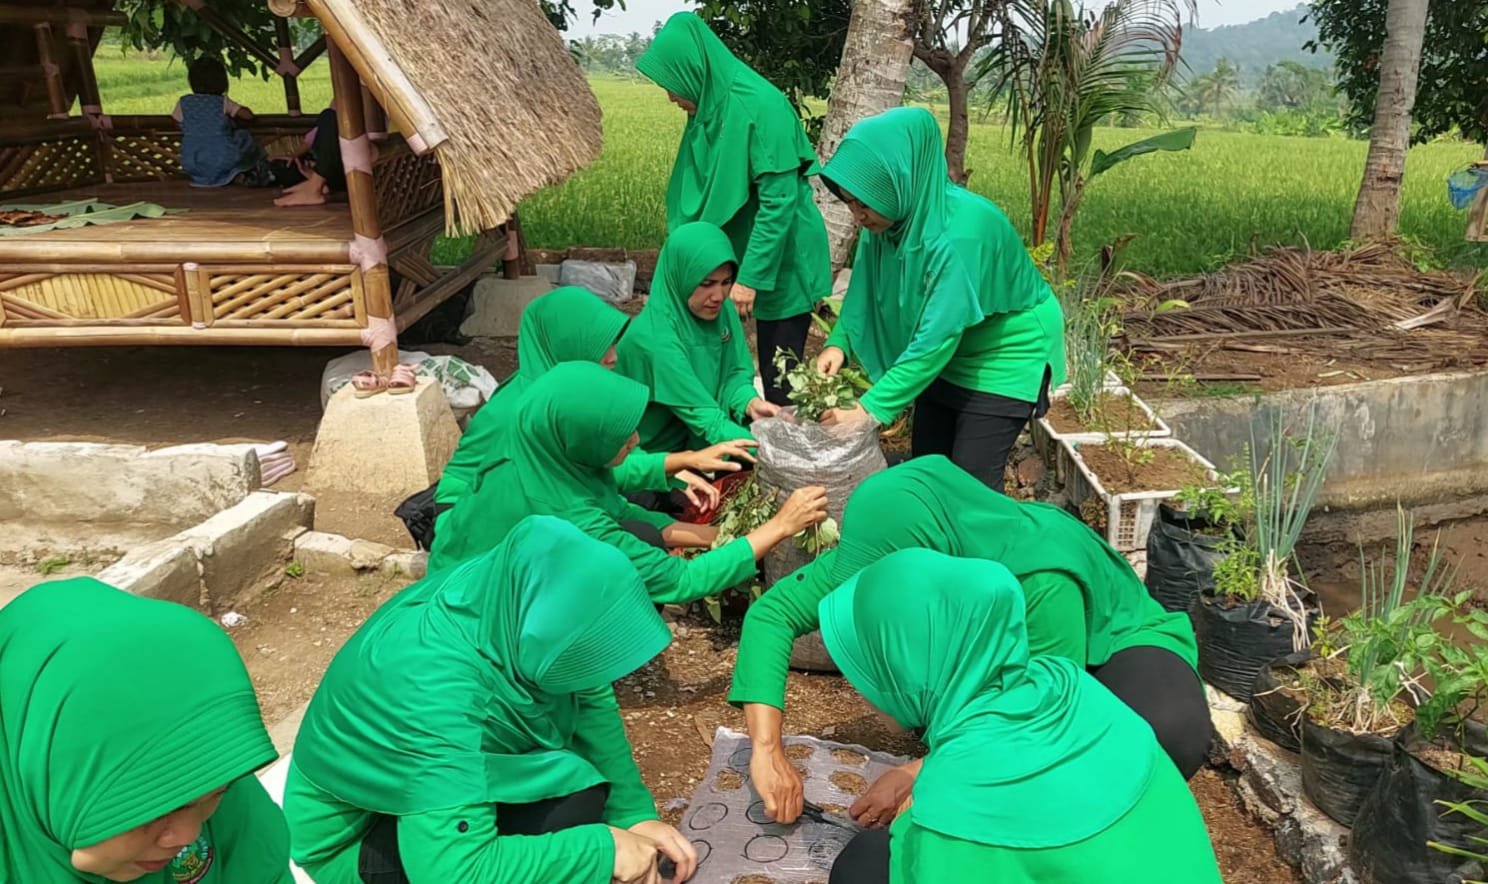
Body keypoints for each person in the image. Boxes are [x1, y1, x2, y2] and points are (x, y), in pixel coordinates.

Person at [733, 457, 1210, 825]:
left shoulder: (1040, 579)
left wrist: (915, 774)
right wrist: (767, 749)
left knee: (1160, 734)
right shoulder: (886, 548)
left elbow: (1039, 713)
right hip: (1038, 678)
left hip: (1109, 652)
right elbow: (772, 615)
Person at [284, 517, 698, 884]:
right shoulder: (435, 692)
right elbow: (452, 873)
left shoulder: (505, 592)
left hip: (412, 793)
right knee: (569, 813)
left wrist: (633, 814)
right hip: (358, 841)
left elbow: (588, 690)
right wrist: (604, 850)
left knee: (581, 790)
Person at [820, 550, 1223, 884]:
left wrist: (925, 813)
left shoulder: (957, 810)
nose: (860, 687)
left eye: (868, 666)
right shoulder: (1066, 685)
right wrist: (918, 774)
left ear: (905, 669)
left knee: (863, 867)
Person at [815, 107, 1066, 492]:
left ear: (900, 183)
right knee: (929, 467)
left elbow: (936, 339)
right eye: (849, 202)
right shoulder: (890, 220)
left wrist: (867, 410)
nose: (857, 216)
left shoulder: (960, 235)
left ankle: (987, 533)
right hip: (952, 350)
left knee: (970, 484)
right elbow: (864, 289)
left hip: (1007, 351)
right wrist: (838, 344)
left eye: (863, 203)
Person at [429, 362, 827, 604]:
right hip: (473, 608)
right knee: (624, 579)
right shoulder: (568, 515)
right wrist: (779, 527)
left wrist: (714, 537)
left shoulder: (537, 451)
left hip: (464, 576)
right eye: (621, 437)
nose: (636, 441)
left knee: (643, 532)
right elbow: (682, 580)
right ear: (583, 439)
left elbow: (617, 508)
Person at [0, 577, 292, 883]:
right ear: (47, 775)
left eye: (216, 795)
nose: (189, 834)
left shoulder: (210, 781)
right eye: (158, 808)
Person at [636, 13, 831, 405]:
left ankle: (781, 440)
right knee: (717, 363)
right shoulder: (709, 106)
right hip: (733, 258)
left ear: (694, 69)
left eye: (672, 85)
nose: (671, 97)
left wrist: (750, 278)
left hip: (782, 261)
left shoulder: (760, 107)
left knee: (780, 378)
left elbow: (778, 204)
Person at [436, 286, 754, 522]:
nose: (614, 357)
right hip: (467, 515)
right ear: (568, 347)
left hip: (537, 496)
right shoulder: (524, 410)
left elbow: (602, 461)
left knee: (661, 504)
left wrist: (675, 471)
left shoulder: (564, 392)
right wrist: (681, 462)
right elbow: (587, 474)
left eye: (613, 344)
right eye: (601, 347)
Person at [619, 222, 782, 453]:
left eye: (726, 282)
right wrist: (773, 452)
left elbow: (733, 373)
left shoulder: (722, 311)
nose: (718, 296)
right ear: (679, 277)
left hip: (696, 446)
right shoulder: (652, 338)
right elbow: (703, 416)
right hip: (648, 455)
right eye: (706, 284)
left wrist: (750, 402)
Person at [174, 57, 274, 188]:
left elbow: (177, 120)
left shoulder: (184, 102)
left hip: (192, 159)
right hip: (223, 157)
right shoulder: (221, 102)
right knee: (243, 136)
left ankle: (215, 178)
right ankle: (244, 172)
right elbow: (248, 116)